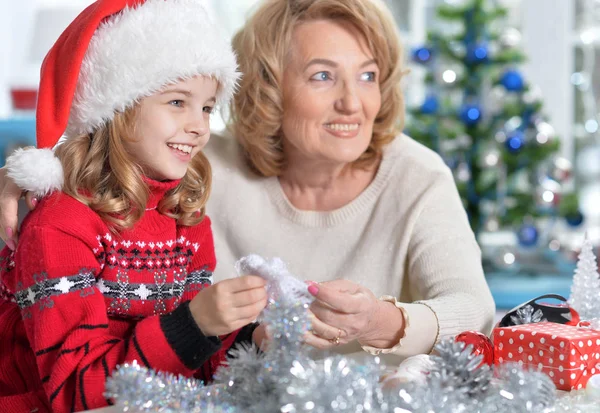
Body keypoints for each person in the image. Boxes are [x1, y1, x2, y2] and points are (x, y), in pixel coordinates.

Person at [0, 0, 495, 367]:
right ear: (266, 87)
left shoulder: (417, 175)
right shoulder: (198, 166)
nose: (353, 103)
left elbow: (473, 308)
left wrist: (381, 323)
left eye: (368, 76)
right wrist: (19, 179)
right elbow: (107, 161)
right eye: (324, 76)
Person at [0, 0, 268, 412]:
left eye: (207, 107)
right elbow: (72, 390)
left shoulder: (187, 219)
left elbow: (195, 367)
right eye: (178, 102)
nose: (199, 125)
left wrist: (251, 336)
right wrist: (194, 324)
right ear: (117, 110)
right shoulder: (60, 226)